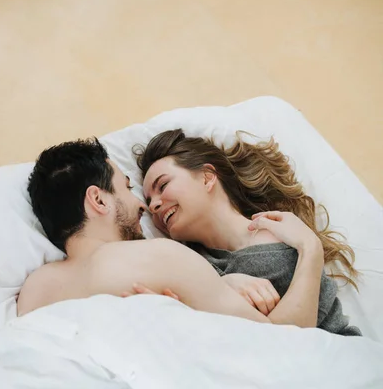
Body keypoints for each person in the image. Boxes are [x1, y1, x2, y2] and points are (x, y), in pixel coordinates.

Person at [18, 137, 327, 332]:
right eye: (126, 188)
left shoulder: (34, 290)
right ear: (98, 200)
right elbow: (283, 343)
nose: (144, 205)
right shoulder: (159, 256)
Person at [134, 128, 361, 335]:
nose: (154, 206)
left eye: (162, 186)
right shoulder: (189, 262)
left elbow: (289, 341)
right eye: (149, 200)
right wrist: (222, 286)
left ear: (207, 177)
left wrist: (311, 248)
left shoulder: (277, 238)